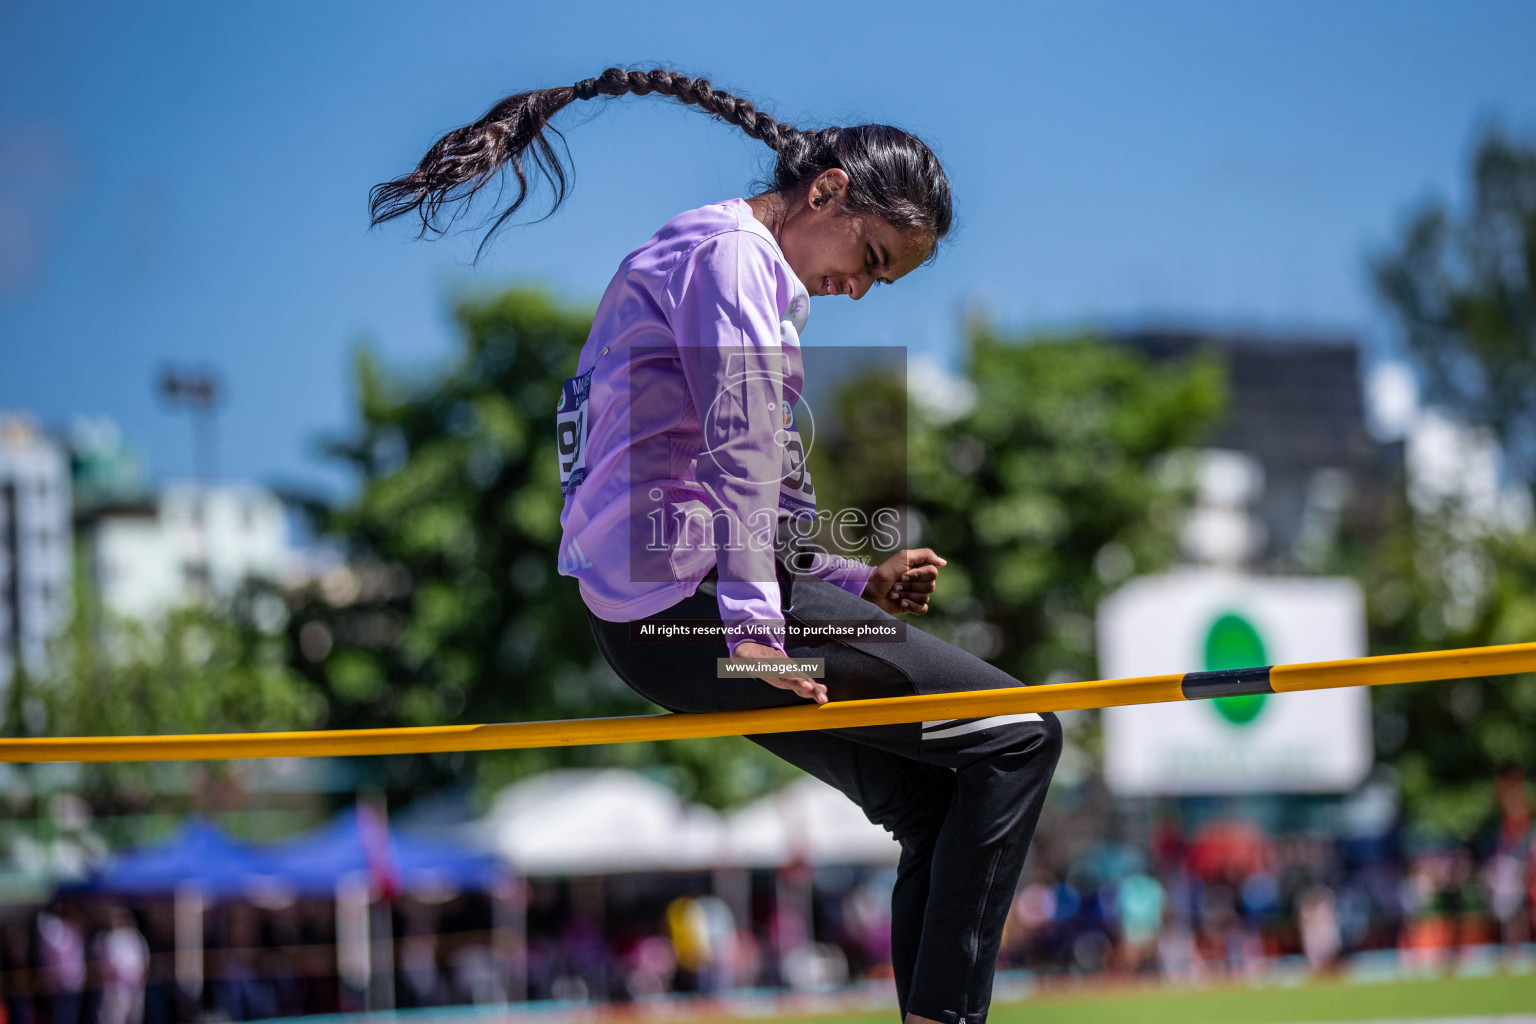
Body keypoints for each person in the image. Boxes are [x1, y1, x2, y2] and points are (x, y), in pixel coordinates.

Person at [371, 66, 1062, 1024]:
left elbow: (738, 484)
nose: (859, 288)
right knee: (1019, 737)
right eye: (867, 256)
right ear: (825, 191)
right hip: (694, 615)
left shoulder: (727, 264)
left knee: (931, 803)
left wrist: (855, 575)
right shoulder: (735, 261)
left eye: (880, 279)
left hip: (661, 622)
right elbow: (740, 460)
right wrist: (753, 631)